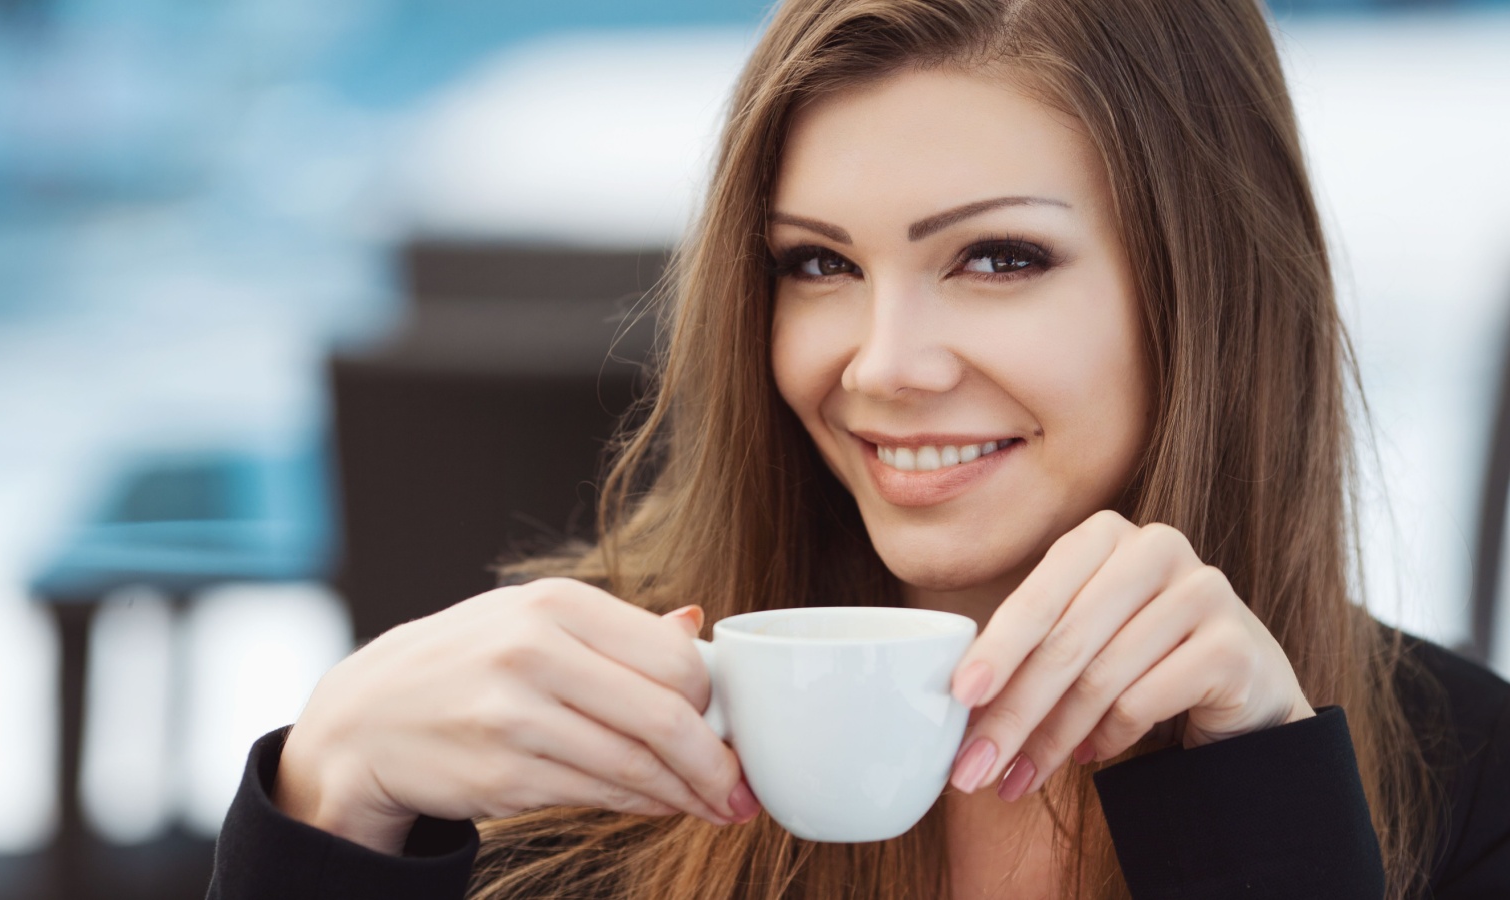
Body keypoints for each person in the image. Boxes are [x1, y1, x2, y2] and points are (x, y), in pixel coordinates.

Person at [207, 0, 1510, 897]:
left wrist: (1264, 816)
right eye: (818, 262)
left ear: (1210, 294)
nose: (882, 363)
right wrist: (330, 808)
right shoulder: (572, 739)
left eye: (998, 257)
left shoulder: (1469, 780)